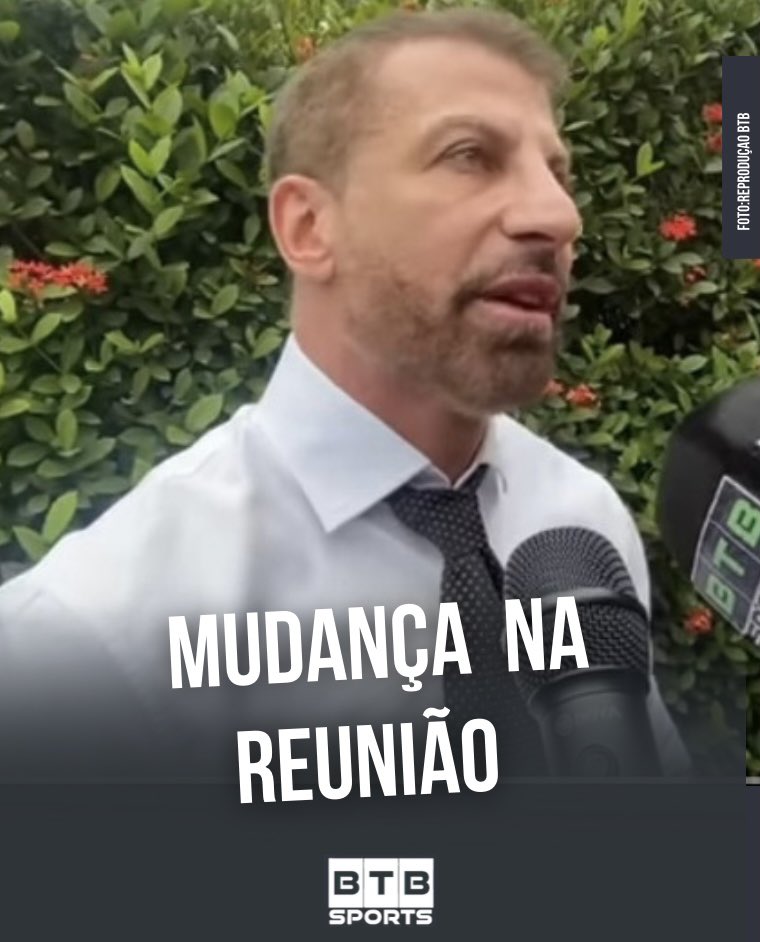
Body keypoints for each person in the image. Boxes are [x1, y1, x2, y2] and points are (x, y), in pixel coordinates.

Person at [0, 7, 689, 782]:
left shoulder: (579, 523)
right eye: (469, 156)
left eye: (558, 174)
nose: (559, 216)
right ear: (308, 227)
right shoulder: (91, 643)